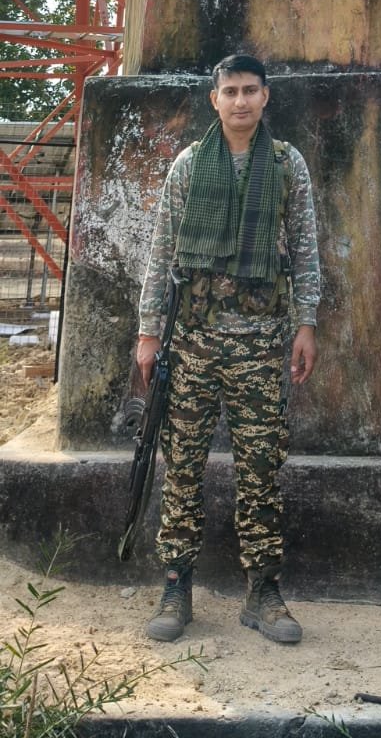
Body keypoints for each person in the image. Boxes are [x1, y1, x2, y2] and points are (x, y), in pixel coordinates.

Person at [136, 51, 320, 646]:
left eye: (249, 90)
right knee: (182, 468)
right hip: (191, 342)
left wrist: (306, 323)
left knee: (261, 470)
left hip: (261, 344)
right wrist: (148, 332)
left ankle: (263, 591)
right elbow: (162, 249)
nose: (240, 101)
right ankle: (176, 584)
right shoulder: (190, 164)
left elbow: (306, 249)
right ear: (214, 100)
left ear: (266, 97)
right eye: (230, 91)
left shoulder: (287, 164)